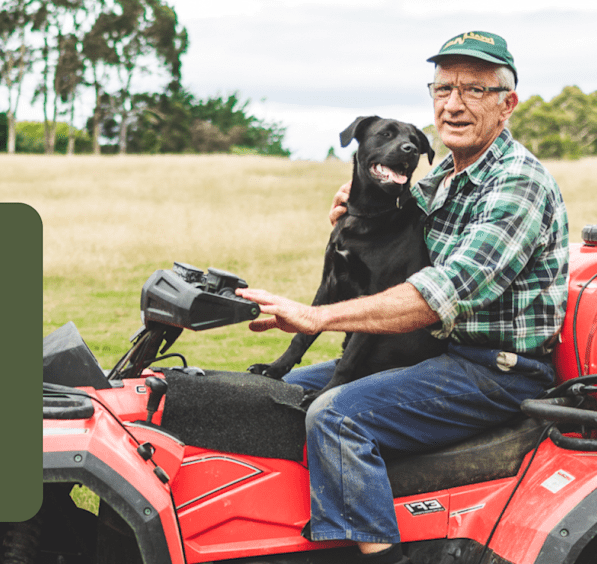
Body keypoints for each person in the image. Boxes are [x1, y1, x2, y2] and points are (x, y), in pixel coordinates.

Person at [235, 31, 570, 564]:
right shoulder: (444, 178)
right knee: (283, 395)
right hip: (437, 353)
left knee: (338, 417)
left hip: (496, 370)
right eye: (443, 88)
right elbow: (387, 224)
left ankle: (383, 554)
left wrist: (314, 315)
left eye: (475, 90)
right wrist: (356, 206)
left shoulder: (517, 184)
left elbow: (438, 294)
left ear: (508, 104)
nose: (454, 104)